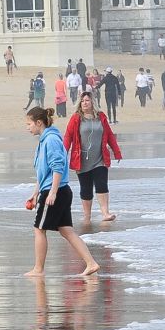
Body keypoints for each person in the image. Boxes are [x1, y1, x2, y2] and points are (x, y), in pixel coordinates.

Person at [24, 106, 99, 277]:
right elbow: (43, 172)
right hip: (55, 190)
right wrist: (36, 193)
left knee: (39, 229)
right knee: (66, 230)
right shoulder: (44, 140)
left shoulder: (51, 140)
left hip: (56, 191)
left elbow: (58, 167)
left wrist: (52, 192)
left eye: (29, 124)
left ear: (39, 122)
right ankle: (91, 263)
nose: (27, 127)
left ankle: (38, 269)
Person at [64, 93, 121, 224]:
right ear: (79, 103)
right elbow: (68, 136)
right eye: (82, 101)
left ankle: (105, 213)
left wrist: (116, 152)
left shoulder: (100, 117)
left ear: (92, 102)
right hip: (81, 160)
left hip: (99, 159)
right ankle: (87, 216)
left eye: (87, 100)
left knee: (101, 184)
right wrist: (63, 154)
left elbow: (110, 135)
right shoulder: (76, 118)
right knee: (86, 188)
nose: (85, 103)